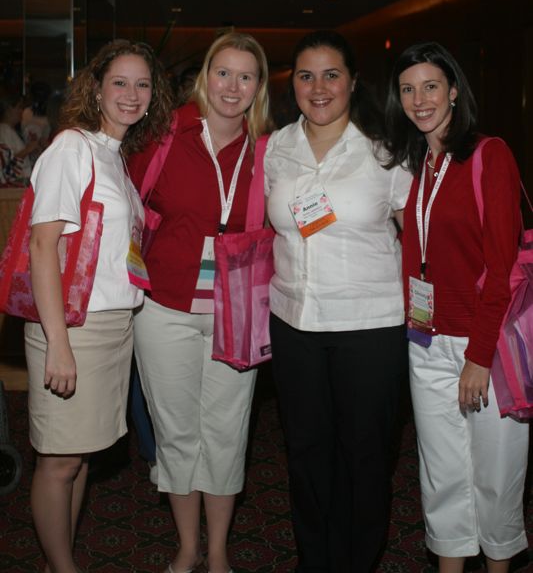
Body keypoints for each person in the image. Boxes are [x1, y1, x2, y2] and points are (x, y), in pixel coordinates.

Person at [264, 30, 412, 573]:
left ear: (352, 81)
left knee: (365, 455)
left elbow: (419, 232)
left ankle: (357, 561)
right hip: (293, 321)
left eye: (331, 74)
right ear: (293, 85)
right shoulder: (277, 147)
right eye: (306, 75)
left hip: (369, 327)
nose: (319, 87)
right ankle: (316, 559)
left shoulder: (386, 147)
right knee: (305, 453)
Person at [26, 39, 173, 573]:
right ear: (96, 87)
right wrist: (59, 345)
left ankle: (56, 561)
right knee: (60, 459)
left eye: (142, 84)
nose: (131, 95)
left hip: (111, 326)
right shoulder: (72, 148)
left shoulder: (115, 157)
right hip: (73, 326)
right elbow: (43, 246)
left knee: (81, 452)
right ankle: (62, 567)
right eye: (119, 82)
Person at [128, 31, 272, 573]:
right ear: (204, 77)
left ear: (259, 87)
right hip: (164, 307)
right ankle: (187, 547)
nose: (232, 87)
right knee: (176, 430)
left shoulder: (270, 150)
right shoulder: (163, 137)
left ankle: (218, 551)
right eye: (223, 73)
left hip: (237, 312)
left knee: (227, 432)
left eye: (246, 76)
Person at [384, 41, 529, 573]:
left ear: (453, 92)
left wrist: (480, 354)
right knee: (440, 475)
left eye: (430, 86)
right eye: (407, 89)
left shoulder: (489, 155)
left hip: (482, 345)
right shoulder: (415, 164)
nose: (419, 99)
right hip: (425, 341)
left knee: (495, 474)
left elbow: (502, 266)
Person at [0, 91, 42, 183]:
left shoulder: (12, 131)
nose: (21, 111)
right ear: (8, 109)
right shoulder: (3, 132)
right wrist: (27, 149)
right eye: (18, 107)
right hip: (12, 188)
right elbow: (6, 166)